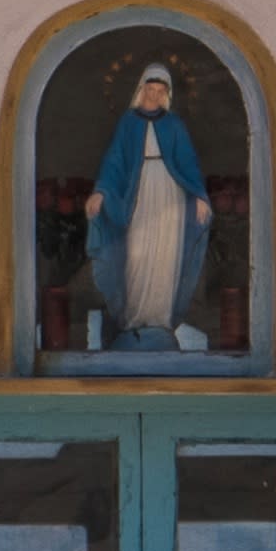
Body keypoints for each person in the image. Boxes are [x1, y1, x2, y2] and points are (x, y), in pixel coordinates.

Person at [90, 58, 212, 351]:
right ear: (141, 90)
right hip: (138, 195)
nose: (154, 95)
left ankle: (160, 320)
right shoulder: (128, 123)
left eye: (160, 91)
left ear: (167, 95)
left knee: (165, 258)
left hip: (170, 195)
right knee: (137, 254)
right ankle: (133, 319)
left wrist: (199, 197)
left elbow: (189, 165)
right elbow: (114, 162)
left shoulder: (174, 125)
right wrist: (101, 192)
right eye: (150, 89)